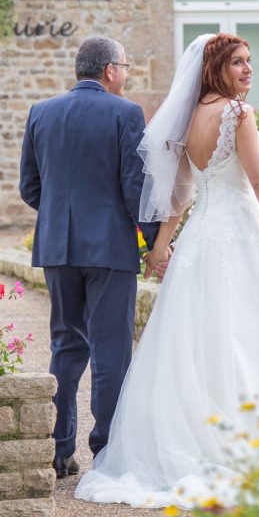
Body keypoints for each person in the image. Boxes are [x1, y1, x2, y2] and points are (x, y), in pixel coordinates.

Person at [74, 34, 259, 509]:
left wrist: (161, 246)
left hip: (202, 237)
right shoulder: (237, 115)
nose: (248, 70)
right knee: (253, 333)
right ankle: (250, 445)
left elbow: (179, 193)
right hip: (241, 232)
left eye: (249, 62)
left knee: (199, 338)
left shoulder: (188, 116)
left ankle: (201, 438)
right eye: (237, 63)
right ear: (215, 68)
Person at [19, 37, 161, 479]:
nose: (127, 74)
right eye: (126, 66)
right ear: (110, 71)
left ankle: (59, 450)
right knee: (111, 350)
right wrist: (156, 241)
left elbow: (30, 187)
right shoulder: (126, 113)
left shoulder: (41, 112)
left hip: (58, 248)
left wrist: (62, 216)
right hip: (110, 249)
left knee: (66, 343)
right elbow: (136, 188)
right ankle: (106, 451)